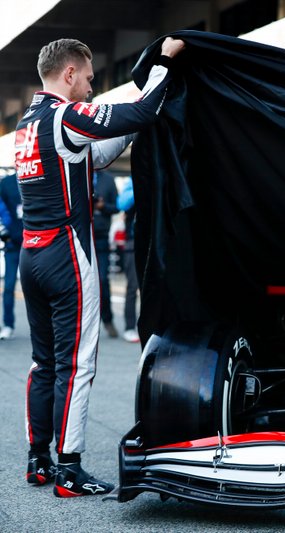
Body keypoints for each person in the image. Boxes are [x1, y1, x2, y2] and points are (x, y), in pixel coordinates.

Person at [15, 36, 185, 497]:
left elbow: (92, 156)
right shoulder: (65, 115)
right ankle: (70, 469)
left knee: (43, 362)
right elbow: (145, 111)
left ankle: (39, 460)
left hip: (32, 255)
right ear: (69, 74)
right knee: (77, 364)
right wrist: (163, 62)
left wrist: (130, 128)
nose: (91, 88)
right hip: (68, 256)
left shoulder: (27, 123)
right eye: (88, 78)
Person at [92, 170, 119, 338]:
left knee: (102, 280)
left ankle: (107, 319)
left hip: (101, 235)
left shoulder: (109, 179)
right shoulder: (77, 172)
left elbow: (116, 207)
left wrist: (102, 206)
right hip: (81, 235)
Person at [0, 172, 23, 339]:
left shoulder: (40, 176)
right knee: (8, 287)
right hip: (13, 243)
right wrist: (4, 232)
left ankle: (46, 327)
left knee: (42, 286)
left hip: (38, 241)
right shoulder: (7, 182)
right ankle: (8, 324)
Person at [116, 177, 139, 343]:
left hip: (155, 241)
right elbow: (121, 204)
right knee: (132, 287)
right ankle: (130, 327)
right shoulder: (132, 181)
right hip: (133, 242)